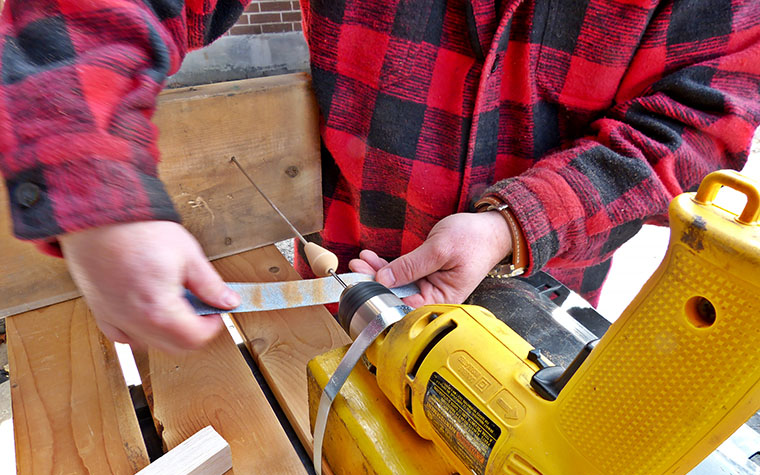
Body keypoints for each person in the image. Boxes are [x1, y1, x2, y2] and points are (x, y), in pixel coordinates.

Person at [2, 1, 759, 353]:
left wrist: (512, 224)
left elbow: (698, 127)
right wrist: (94, 185)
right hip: (348, 281)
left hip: (536, 304)